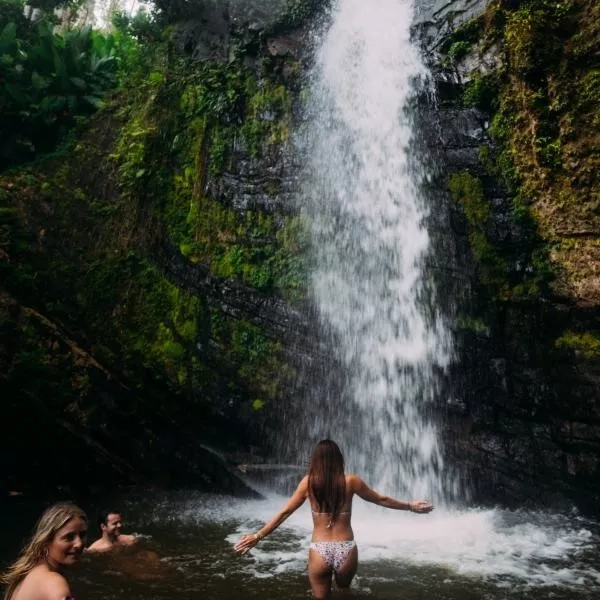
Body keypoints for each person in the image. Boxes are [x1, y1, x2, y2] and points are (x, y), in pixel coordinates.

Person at [234, 439, 434, 599]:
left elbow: (285, 512)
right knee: (344, 593)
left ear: (316, 460)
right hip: (346, 548)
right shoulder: (351, 481)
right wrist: (409, 506)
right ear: (339, 459)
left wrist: (258, 536)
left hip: (320, 549)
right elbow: (381, 499)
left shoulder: (308, 483)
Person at [0, 501, 87, 600]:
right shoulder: (54, 583)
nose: (79, 544)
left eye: (82, 535)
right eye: (69, 537)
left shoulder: (27, 573)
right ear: (46, 541)